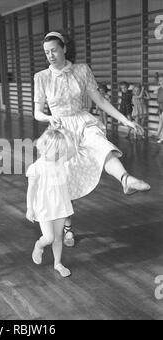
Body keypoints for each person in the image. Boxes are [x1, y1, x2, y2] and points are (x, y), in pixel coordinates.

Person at [33, 31, 151, 247]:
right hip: (60, 130)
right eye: (46, 52)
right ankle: (67, 228)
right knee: (62, 181)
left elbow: (100, 101)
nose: (50, 55)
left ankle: (126, 180)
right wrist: (49, 117)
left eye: (53, 50)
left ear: (64, 49)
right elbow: (37, 112)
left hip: (82, 120)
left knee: (100, 144)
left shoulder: (81, 70)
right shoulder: (42, 77)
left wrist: (125, 120)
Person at [26, 128, 75, 278]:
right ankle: (39, 245)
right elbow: (31, 190)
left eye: (61, 150)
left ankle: (58, 263)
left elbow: (73, 149)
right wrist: (29, 208)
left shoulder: (59, 161)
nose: (60, 153)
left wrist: (64, 131)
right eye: (57, 150)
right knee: (49, 238)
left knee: (58, 237)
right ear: (46, 148)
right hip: (44, 206)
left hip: (60, 205)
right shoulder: (36, 168)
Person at [154, 73, 163, 144]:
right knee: (161, 122)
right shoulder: (159, 89)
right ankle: (161, 137)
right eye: (160, 81)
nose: (161, 82)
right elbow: (155, 93)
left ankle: (157, 134)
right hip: (160, 108)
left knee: (161, 121)